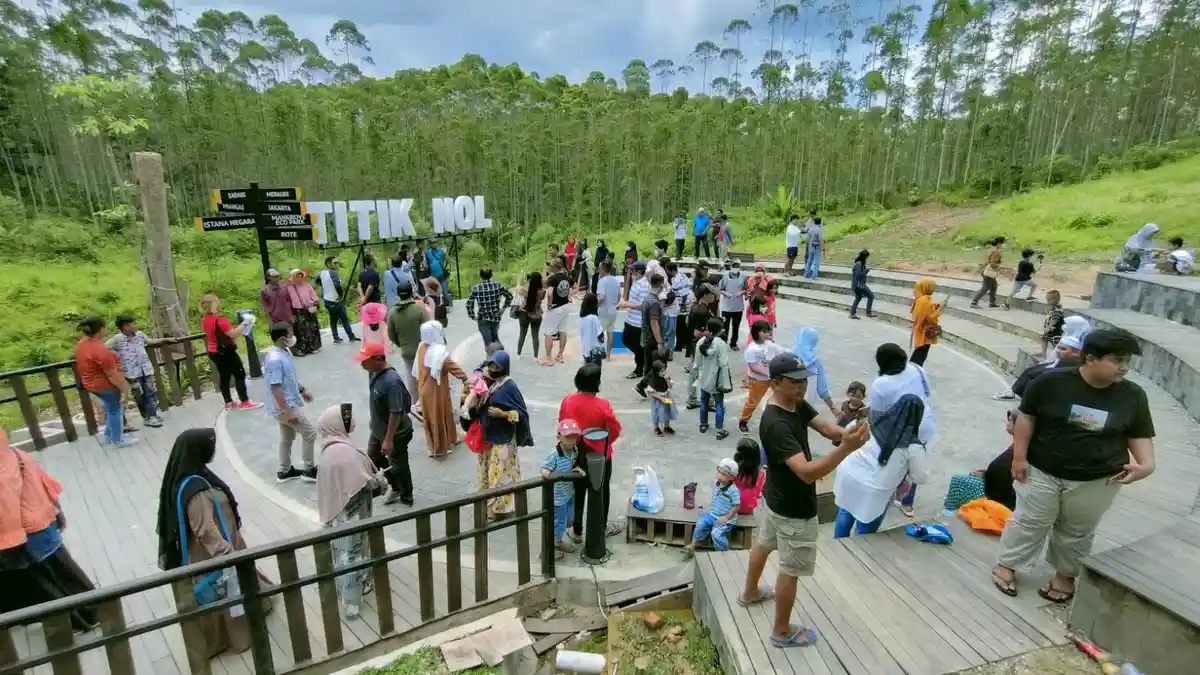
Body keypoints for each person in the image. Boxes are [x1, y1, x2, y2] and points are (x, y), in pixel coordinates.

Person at [991, 329, 1156, 601]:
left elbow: (1137, 432)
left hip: (1097, 478)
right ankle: (1007, 565)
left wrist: (1146, 464)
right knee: (1030, 521)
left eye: (1127, 361)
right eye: (1117, 361)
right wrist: (1019, 458)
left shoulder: (1133, 395)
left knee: (1077, 530)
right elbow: (1026, 418)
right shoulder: (1051, 383)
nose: (1124, 368)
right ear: (1091, 359)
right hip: (1042, 468)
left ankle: (1065, 577)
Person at [739, 352, 871, 648]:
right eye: (795, 382)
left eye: (804, 381)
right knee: (790, 568)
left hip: (775, 497)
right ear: (775, 383)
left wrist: (845, 433)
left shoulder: (793, 402)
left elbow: (824, 426)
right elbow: (807, 474)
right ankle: (782, 631)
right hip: (793, 508)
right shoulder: (777, 424)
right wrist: (845, 450)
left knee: (764, 544)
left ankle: (749, 593)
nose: (803, 387)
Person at [155, 428, 273, 657]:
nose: (214, 449)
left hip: (225, 547)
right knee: (225, 591)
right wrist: (228, 554)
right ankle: (233, 637)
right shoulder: (196, 490)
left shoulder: (195, 478)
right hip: (215, 555)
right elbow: (205, 530)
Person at [0, 428, 98, 631]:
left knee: (53, 581)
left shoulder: (3, 472)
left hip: (26, 534)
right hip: (42, 522)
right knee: (65, 573)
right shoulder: (16, 454)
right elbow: (45, 484)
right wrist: (56, 511)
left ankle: (85, 618)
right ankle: (92, 613)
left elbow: (5, 510)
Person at [316, 404, 385, 618]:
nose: (352, 421)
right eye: (347, 418)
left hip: (336, 510)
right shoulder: (344, 452)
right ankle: (351, 603)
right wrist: (378, 480)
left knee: (342, 552)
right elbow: (361, 483)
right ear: (338, 424)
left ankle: (352, 586)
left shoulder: (331, 447)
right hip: (351, 513)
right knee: (351, 554)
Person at [832, 392, 929, 537]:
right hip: (875, 489)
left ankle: (838, 544)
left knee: (845, 512)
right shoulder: (913, 446)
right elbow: (920, 478)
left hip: (849, 473)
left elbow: (849, 429)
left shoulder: (875, 419)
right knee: (865, 527)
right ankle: (855, 555)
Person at [870, 342, 938, 517]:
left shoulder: (881, 384)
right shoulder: (917, 369)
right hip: (924, 424)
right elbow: (927, 393)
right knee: (915, 462)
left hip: (902, 430)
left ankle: (886, 497)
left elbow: (877, 414)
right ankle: (907, 502)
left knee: (896, 463)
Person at [558, 363, 625, 540]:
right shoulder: (603, 405)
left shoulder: (568, 401)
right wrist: (603, 442)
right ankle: (600, 528)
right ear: (597, 383)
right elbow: (615, 429)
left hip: (576, 455)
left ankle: (577, 530)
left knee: (578, 491)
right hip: (600, 457)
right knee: (602, 492)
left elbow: (563, 425)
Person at [468, 351, 533, 520]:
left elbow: (521, 415)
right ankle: (490, 505)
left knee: (499, 474)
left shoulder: (509, 387)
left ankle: (497, 510)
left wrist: (502, 414)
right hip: (489, 436)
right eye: (491, 365)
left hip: (504, 439)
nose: (493, 369)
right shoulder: (490, 382)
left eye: (497, 366)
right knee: (488, 472)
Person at [354, 342, 415, 506]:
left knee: (399, 464)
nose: (361, 364)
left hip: (395, 434)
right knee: (374, 458)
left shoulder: (391, 382)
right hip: (378, 430)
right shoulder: (373, 372)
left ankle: (406, 495)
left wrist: (388, 440)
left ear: (378, 359)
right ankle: (395, 486)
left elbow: (395, 412)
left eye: (364, 360)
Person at [264, 322, 318, 483]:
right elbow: (276, 387)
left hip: (284, 405)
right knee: (310, 433)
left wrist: (301, 390)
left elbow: (289, 378)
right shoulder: (274, 359)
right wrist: (288, 412)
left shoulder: (284, 352)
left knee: (287, 437)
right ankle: (309, 469)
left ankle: (285, 470)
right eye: (290, 333)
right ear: (282, 338)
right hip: (283, 407)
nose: (293, 336)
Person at [74, 316, 135, 448]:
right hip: (105, 385)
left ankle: (108, 436)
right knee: (115, 411)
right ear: (101, 329)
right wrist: (124, 389)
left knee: (109, 409)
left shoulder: (81, 344)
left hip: (90, 384)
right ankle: (118, 440)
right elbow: (112, 374)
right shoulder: (101, 350)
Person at [414, 321, 469, 458]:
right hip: (435, 390)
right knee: (438, 416)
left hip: (423, 386)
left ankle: (448, 439)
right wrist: (466, 378)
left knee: (434, 415)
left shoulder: (422, 346)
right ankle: (438, 449)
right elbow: (454, 367)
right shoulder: (439, 353)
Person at [944, 410, 1018, 512]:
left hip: (997, 497)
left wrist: (985, 475)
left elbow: (1004, 476)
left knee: (958, 481)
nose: (1007, 423)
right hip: (994, 484)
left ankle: (950, 511)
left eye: (1011, 421)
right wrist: (986, 472)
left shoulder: (1019, 451)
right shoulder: (1017, 444)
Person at [107, 314, 169, 429]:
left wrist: (165, 340)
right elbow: (106, 349)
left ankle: (152, 415)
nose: (135, 325)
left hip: (146, 369)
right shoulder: (117, 340)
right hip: (131, 373)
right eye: (133, 324)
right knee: (139, 394)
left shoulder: (139, 335)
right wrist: (116, 357)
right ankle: (147, 416)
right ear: (125, 326)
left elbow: (149, 342)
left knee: (151, 392)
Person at [200, 295, 259, 411]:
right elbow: (233, 334)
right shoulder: (220, 320)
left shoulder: (204, 320)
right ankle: (245, 401)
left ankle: (228, 402)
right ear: (214, 304)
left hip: (213, 351)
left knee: (224, 375)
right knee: (239, 374)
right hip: (226, 351)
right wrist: (245, 323)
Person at [540, 419, 585, 559]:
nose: (572, 440)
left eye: (574, 437)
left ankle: (557, 539)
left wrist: (575, 468)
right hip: (557, 496)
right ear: (559, 437)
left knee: (568, 519)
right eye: (568, 437)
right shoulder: (554, 454)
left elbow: (571, 464)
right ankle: (555, 543)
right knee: (559, 521)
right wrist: (553, 476)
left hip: (568, 492)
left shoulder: (574, 451)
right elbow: (543, 469)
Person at [387, 279, 428, 419]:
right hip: (423, 351)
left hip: (407, 352)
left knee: (412, 378)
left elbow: (391, 335)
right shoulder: (420, 309)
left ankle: (415, 405)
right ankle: (426, 405)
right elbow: (429, 329)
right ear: (411, 292)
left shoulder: (392, 312)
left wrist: (402, 345)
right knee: (426, 378)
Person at [684, 459, 742, 555]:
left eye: (723, 474)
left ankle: (723, 553)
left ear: (732, 477)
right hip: (712, 514)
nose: (719, 475)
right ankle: (693, 545)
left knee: (716, 534)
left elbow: (737, 506)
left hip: (725, 519)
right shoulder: (717, 483)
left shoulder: (733, 490)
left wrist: (727, 517)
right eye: (718, 471)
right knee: (700, 523)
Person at [739, 320, 781, 434]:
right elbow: (753, 366)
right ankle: (743, 420)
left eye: (768, 331)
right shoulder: (752, 349)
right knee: (753, 401)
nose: (768, 334)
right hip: (758, 380)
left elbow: (780, 353)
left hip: (772, 378)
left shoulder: (770, 345)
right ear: (757, 332)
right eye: (765, 331)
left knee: (776, 400)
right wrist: (768, 374)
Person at [696, 317, 733, 440]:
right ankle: (719, 429)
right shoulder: (721, 344)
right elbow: (723, 363)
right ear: (720, 330)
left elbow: (697, 362)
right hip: (716, 379)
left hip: (703, 377)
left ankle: (703, 424)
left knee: (704, 401)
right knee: (719, 403)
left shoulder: (701, 342)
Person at [790, 327, 838, 418]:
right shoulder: (815, 361)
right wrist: (833, 407)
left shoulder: (787, 355)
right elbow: (822, 388)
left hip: (786, 403)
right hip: (806, 406)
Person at [685, 285, 718, 409]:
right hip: (701, 344)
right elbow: (697, 332)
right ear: (705, 294)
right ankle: (707, 401)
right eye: (711, 294)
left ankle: (692, 399)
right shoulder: (702, 311)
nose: (714, 296)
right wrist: (714, 333)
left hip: (695, 344)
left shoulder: (696, 306)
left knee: (695, 372)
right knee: (706, 372)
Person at [634, 274, 667, 398]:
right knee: (657, 365)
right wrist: (660, 342)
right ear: (661, 285)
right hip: (653, 338)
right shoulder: (654, 303)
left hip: (646, 336)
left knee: (649, 365)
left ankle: (644, 386)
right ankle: (645, 386)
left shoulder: (647, 299)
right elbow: (654, 323)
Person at [466, 266, 513, 347]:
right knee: (494, 337)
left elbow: (469, 303)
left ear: (480, 275)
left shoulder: (476, 288)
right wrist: (503, 308)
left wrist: (472, 316)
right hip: (496, 317)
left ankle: (495, 356)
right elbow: (510, 296)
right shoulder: (498, 285)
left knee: (488, 342)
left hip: (483, 318)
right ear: (491, 275)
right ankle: (499, 355)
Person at [619, 262, 650, 379]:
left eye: (633, 271)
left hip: (638, 322)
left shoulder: (644, 285)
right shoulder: (637, 282)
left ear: (639, 271)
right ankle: (642, 361)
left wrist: (627, 305)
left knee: (637, 345)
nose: (631, 273)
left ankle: (640, 367)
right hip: (631, 319)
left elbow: (643, 306)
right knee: (626, 339)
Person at [317, 256, 359, 343]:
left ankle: (336, 337)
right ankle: (351, 337)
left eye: (337, 263)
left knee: (333, 319)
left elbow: (317, 281)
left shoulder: (322, 273)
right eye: (335, 263)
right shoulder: (333, 273)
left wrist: (325, 288)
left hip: (327, 301)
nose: (337, 265)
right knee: (344, 319)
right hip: (336, 301)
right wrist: (341, 296)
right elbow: (337, 285)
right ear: (328, 264)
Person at [539, 259, 572, 366]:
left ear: (554, 267)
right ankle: (560, 354)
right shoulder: (566, 276)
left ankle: (548, 357)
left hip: (556, 307)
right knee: (563, 330)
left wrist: (549, 305)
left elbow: (549, 293)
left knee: (548, 332)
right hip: (565, 305)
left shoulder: (553, 278)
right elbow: (571, 289)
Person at [287, 269, 323, 357]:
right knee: (301, 330)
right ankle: (302, 348)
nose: (299, 278)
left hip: (309, 310)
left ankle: (313, 347)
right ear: (292, 278)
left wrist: (312, 303)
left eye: (300, 275)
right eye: (297, 276)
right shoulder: (289, 288)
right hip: (298, 312)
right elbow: (288, 302)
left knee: (312, 328)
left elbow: (314, 297)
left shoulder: (307, 286)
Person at [910, 278, 943, 366]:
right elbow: (930, 318)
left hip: (920, 328)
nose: (933, 289)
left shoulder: (920, 299)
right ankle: (914, 370)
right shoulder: (925, 301)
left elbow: (922, 312)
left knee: (919, 350)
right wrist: (939, 311)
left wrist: (934, 306)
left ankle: (913, 368)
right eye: (931, 287)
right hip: (925, 330)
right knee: (921, 353)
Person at [718, 259, 749, 349]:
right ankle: (723, 343)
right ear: (731, 266)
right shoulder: (725, 276)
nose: (736, 268)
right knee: (725, 326)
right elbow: (721, 289)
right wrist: (726, 294)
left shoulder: (743, 276)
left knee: (736, 326)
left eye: (737, 266)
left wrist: (741, 292)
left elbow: (746, 288)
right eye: (734, 266)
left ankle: (733, 343)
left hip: (738, 307)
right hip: (726, 307)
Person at [594, 261, 621, 359]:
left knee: (599, 333)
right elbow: (619, 296)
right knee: (610, 332)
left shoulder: (602, 281)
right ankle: (608, 355)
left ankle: (599, 353)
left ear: (603, 269)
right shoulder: (616, 281)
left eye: (599, 268)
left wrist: (596, 306)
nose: (598, 270)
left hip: (604, 310)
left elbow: (601, 297)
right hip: (613, 311)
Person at [515, 272, 546, 359]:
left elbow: (517, 289)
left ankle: (518, 353)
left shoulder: (526, 290)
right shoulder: (542, 292)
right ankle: (535, 356)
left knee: (522, 334)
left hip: (524, 314)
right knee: (535, 335)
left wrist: (519, 281)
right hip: (537, 315)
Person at [645, 359, 678, 437]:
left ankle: (666, 426)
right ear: (657, 372)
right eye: (661, 371)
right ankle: (656, 427)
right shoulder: (653, 380)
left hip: (666, 396)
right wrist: (660, 398)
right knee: (656, 413)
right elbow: (650, 393)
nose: (664, 372)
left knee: (668, 410)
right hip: (658, 399)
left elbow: (670, 386)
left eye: (664, 369)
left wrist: (667, 380)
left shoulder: (666, 377)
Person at [733, 438, 766, 515]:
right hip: (747, 507)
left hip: (732, 505)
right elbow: (758, 493)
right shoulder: (760, 474)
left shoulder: (735, 469)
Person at [970, 236, 1006, 308]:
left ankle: (992, 302)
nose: (1004, 245)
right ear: (999, 243)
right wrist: (1001, 267)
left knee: (994, 286)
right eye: (1003, 243)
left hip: (985, 270)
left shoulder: (992, 249)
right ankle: (974, 302)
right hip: (989, 272)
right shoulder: (996, 252)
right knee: (985, 287)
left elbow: (987, 261)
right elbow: (993, 264)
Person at [579, 292, 607, 365]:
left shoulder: (582, 318)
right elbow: (600, 334)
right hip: (595, 350)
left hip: (585, 349)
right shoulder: (594, 318)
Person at [849, 250, 876, 319]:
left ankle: (852, 313)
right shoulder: (859, 264)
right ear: (865, 257)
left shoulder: (859, 263)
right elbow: (858, 275)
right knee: (871, 296)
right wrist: (866, 270)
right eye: (867, 257)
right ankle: (868, 312)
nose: (868, 259)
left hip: (856, 285)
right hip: (859, 285)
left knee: (858, 298)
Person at [1041, 289, 1066, 357]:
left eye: (1049, 300)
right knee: (1044, 339)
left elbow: (1055, 319)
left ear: (1057, 299)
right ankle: (1043, 353)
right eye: (1047, 300)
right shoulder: (1052, 307)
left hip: (1055, 329)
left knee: (1055, 343)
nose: (1047, 302)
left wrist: (1049, 327)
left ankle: (1056, 356)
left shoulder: (1057, 308)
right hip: (1050, 329)